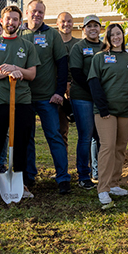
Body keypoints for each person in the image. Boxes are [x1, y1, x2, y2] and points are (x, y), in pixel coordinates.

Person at [0, 5, 40, 202]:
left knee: (21, 143)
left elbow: (31, 74)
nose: (11, 22)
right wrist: (7, 73)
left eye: (15, 19)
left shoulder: (27, 46)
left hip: (22, 102)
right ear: (1, 21)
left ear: (20, 23)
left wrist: (15, 67)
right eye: (8, 19)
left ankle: (22, 183)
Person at [19, 0, 71, 194]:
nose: (37, 15)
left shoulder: (52, 36)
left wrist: (59, 92)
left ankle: (63, 178)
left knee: (54, 136)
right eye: (34, 11)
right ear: (27, 12)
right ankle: (29, 176)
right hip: (24, 97)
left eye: (41, 12)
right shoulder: (19, 34)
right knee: (27, 138)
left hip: (47, 98)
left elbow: (62, 64)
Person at [88, 24, 128, 207]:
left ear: (123, 35)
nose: (116, 37)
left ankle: (114, 183)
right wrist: (102, 107)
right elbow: (93, 82)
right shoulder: (100, 57)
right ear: (107, 37)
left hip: (127, 111)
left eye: (119, 33)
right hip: (105, 112)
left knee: (120, 147)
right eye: (112, 34)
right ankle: (103, 188)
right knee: (107, 147)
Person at [68, 15, 103, 189]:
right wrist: (94, 91)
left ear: (100, 28)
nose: (92, 29)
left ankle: (99, 172)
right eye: (89, 26)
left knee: (101, 136)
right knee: (86, 136)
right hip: (83, 97)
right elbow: (76, 72)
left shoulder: (106, 46)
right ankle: (83, 175)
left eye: (96, 26)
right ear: (83, 29)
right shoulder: (79, 47)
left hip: (102, 98)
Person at [56, 11, 77, 151]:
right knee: (60, 131)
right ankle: (62, 170)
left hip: (77, 91)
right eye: (63, 21)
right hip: (58, 92)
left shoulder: (79, 44)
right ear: (57, 24)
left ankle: (87, 168)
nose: (66, 24)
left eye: (69, 21)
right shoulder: (54, 43)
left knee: (86, 132)